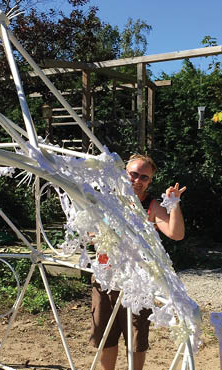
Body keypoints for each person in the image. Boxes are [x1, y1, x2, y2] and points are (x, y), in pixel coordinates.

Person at [89, 154, 187, 370]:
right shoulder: (106, 200)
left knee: (136, 340)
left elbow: (176, 233)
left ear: (149, 181)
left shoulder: (151, 206)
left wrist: (174, 204)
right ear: (124, 173)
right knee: (105, 336)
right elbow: (90, 232)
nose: (137, 180)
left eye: (144, 177)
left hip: (136, 284)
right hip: (105, 278)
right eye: (133, 174)